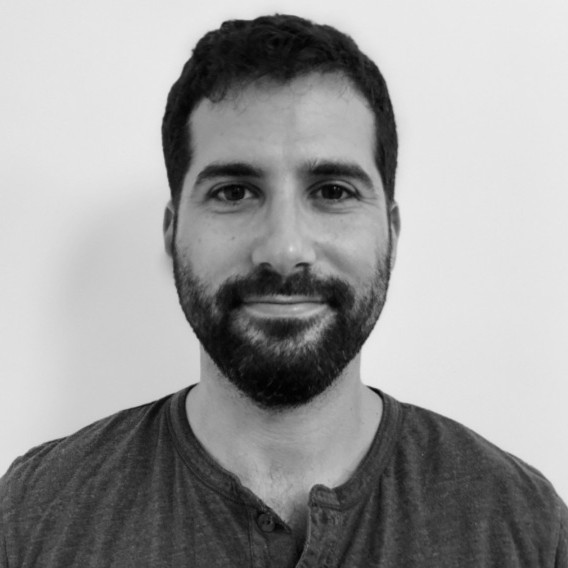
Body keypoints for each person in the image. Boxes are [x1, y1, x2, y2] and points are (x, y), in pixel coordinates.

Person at [1, 13, 566, 568]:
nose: (285, 248)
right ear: (172, 232)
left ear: (390, 232)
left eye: (333, 191)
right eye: (234, 192)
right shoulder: (33, 517)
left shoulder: (523, 527)